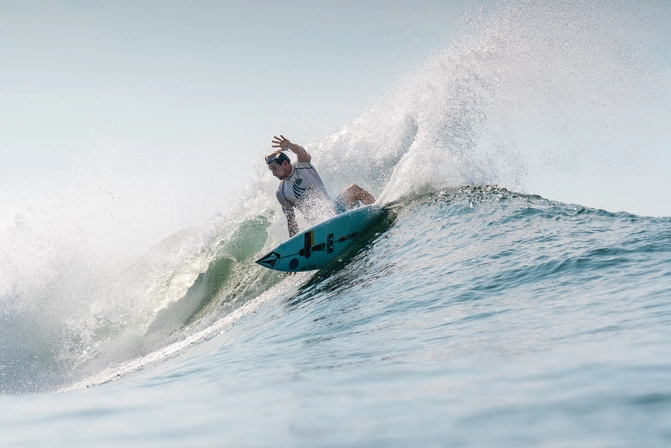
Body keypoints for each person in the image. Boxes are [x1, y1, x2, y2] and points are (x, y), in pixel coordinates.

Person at [266, 135, 375, 237]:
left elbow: (302, 152)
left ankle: (378, 210)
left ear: (285, 163)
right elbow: (291, 222)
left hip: (336, 211)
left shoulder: (302, 165)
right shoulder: (281, 192)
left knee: (353, 189)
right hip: (317, 228)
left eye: (274, 168)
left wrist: (290, 146)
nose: (273, 174)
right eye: (271, 170)